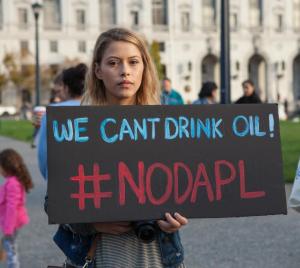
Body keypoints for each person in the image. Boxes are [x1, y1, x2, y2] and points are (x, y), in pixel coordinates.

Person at [51, 28, 188, 268]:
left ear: (144, 67)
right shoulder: (77, 131)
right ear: (98, 70)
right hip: (100, 257)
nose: (125, 71)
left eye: (133, 62)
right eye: (113, 62)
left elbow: (186, 188)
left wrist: (177, 217)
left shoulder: (168, 128)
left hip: (158, 258)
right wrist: (92, 224)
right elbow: (53, 202)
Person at [38, 63, 88, 180]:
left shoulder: (53, 112)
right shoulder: (99, 110)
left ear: (65, 87)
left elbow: (44, 155)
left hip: (60, 182)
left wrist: (49, 177)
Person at [0, 149, 33, 268]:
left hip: (11, 223)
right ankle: (3, 244)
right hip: (10, 222)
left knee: (11, 250)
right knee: (9, 243)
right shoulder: (11, 182)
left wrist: (8, 229)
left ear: (6, 167)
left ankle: (13, 265)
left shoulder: (13, 184)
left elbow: (12, 207)